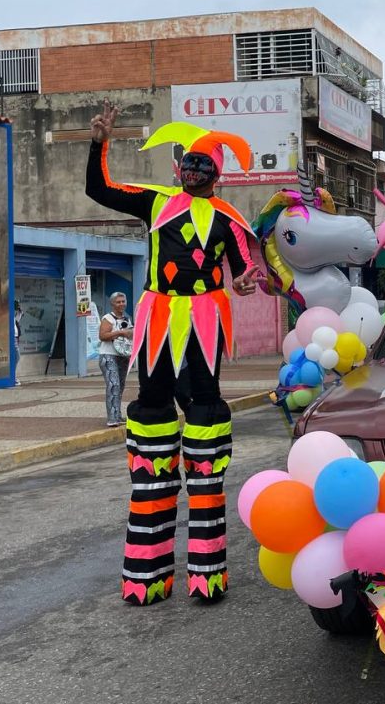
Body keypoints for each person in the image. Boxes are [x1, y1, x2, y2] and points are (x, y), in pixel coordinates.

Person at [86, 101, 262, 606]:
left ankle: (207, 570)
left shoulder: (230, 219)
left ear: (217, 176)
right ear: (178, 168)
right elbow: (100, 189)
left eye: (203, 166)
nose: (193, 171)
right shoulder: (157, 201)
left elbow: (248, 267)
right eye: (188, 163)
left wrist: (249, 281)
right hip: (159, 318)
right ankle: (147, 572)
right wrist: (101, 142)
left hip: (204, 322)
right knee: (154, 420)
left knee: (205, 421)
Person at [98, 292, 134, 427]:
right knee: (114, 385)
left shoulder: (127, 319)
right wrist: (120, 332)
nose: (121, 304)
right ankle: (112, 418)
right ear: (112, 304)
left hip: (123, 356)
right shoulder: (108, 318)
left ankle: (117, 415)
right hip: (108, 356)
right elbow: (102, 336)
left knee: (120, 387)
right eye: (118, 302)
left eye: (123, 301)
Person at [12, 300, 22, 386]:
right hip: (12, 338)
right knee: (17, 356)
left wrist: (19, 311)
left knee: (16, 357)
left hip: (15, 338)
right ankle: (13, 377)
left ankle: (13, 376)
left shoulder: (14, 316)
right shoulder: (9, 314)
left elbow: (17, 320)